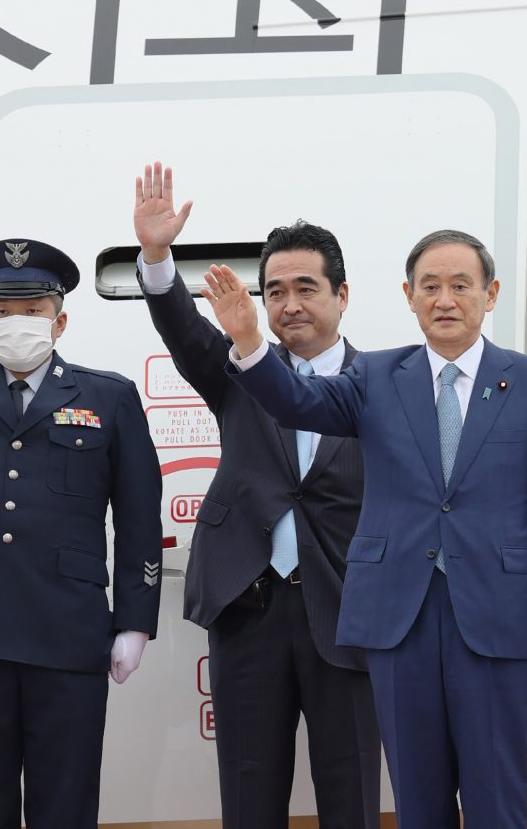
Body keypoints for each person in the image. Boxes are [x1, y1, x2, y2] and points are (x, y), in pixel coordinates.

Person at [205, 229, 527, 829]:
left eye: (460, 286)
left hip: (495, 613)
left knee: (495, 795)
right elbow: (294, 404)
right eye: (430, 287)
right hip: (399, 616)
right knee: (417, 795)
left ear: (489, 295)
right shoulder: (378, 377)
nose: (445, 300)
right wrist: (250, 341)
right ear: (408, 297)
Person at [133, 164, 380, 829]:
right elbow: (182, 329)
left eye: (306, 287)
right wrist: (157, 256)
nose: (290, 304)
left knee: (353, 790)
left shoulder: (383, 384)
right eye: (276, 290)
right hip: (250, 604)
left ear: (343, 294)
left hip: (349, 609)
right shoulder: (239, 367)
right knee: (248, 794)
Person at [0, 238, 162, 829]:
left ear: (60, 319)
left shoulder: (107, 396)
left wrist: (134, 622)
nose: (16, 324)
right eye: (1, 312)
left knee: (66, 803)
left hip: (67, 637)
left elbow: (138, 519)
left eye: (31, 309)